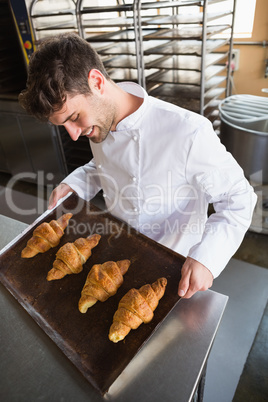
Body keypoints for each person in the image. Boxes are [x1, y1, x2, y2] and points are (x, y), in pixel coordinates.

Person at [19, 33, 257, 299]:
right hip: (118, 252)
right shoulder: (100, 120)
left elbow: (240, 198)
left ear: (96, 82)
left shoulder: (188, 132)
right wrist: (73, 183)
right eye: (64, 126)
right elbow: (103, 166)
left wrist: (207, 259)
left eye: (74, 118)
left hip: (175, 268)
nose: (73, 134)